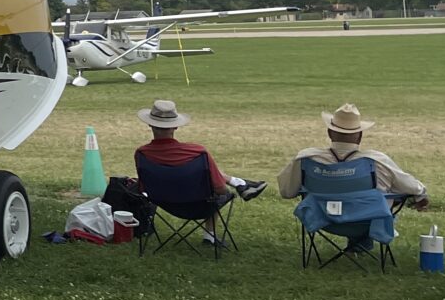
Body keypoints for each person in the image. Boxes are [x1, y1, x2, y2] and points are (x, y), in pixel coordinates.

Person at [278, 103, 428, 254]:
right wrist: (420, 194)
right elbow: (412, 187)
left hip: (322, 220)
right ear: (360, 136)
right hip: (367, 222)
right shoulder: (377, 161)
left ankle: (357, 244)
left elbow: (286, 192)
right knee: (384, 195)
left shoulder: (306, 159)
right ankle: (361, 243)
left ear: (329, 132)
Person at [134, 99, 259, 247]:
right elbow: (220, 188)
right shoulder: (197, 152)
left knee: (211, 177)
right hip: (201, 204)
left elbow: (143, 187)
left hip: (163, 203)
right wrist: (226, 190)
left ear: (150, 124)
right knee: (215, 188)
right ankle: (237, 186)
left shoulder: (142, 153)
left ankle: (239, 182)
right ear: (175, 126)